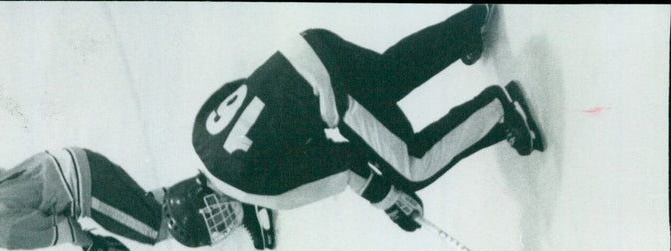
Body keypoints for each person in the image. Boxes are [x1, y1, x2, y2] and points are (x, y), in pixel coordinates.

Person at [190, 6, 543, 234]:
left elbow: (343, 165)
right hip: (306, 47)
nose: (224, 226)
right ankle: (469, 26)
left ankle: (501, 109)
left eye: (214, 222)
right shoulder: (199, 136)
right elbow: (244, 89)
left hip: (329, 88)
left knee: (412, 168)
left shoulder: (257, 187)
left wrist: (388, 199)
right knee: (386, 79)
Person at [0, 148, 275, 251]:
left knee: (154, 228)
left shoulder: (2, 232)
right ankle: (223, 180)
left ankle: (242, 205)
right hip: (77, 160)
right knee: (144, 210)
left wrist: (100, 250)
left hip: (86, 188)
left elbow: (67, 230)